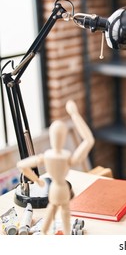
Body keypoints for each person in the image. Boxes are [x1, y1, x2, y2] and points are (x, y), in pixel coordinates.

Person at [17, 100, 94, 234]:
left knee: (49, 215)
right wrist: (75, 115)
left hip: (53, 190)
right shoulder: (67, 157)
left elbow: (21, 165)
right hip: (63, 190)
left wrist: (36, 179)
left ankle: (43, 234)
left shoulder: (46, 156)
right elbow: (88, 140)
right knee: (65, 216)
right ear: (63, 137)